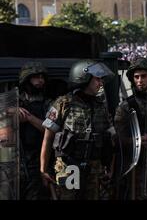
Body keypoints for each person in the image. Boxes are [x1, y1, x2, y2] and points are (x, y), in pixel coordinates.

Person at [40, 60, 116, 200]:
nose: (101, 83)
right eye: (97, 79)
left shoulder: (101, 107)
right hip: (69, 166)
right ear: (84, 78)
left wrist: (110, 168)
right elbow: (48, 136)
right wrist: (43, 169)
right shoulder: (64, 103)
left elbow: (110, 139)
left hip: (94, 167)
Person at [114, 58, 147, 199]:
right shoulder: (125, 107)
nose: (140, 80)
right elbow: (118, 140)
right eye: (136, 77)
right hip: (134, 164)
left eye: (143, 76)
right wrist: (137, 141)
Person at [17, 62, 52, 200]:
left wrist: (29, 118)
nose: (40, 80)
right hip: (17, 162)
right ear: (26, 79)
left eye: (42, 77)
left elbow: (50, 130)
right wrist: (12, 113)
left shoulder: (48, 103)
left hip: (39, 161)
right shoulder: (14, 101)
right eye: (36, 77)